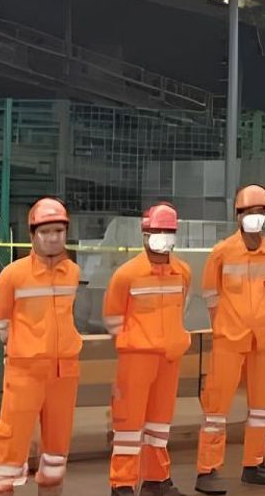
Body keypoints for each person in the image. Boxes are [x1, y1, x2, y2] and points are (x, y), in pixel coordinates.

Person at [0, 198, 81, 495]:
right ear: (32, 234)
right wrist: (21, 346)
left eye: (58, 230)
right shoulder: (13, 274)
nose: (53, 237)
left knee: (56, 450)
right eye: (45, 231)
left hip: (64, 372)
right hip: (25, 371)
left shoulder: (72, 272)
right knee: (12, 442)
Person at [194, 185, 265, 494]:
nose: (255, 218)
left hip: (263, 339)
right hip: (229, 339)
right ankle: (207, 470)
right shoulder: (222, 251)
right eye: (250, 213)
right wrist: (222, 326)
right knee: (217, 408)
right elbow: (210, 294)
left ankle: (254, 463)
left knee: (260, 407)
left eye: (260, 213)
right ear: (238, 216)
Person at [104, 203, 191, 496]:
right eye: (157, 231)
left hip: (169, 358)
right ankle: (123, 484)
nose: (163, 237)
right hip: (136, 358)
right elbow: (112, 318)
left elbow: (182, 309)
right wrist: (135, 341)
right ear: (144, 234)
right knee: (128, 424)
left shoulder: (183, 272)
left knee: (159, 423)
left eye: (168, 232)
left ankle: (156, 480)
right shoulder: (126, 275)